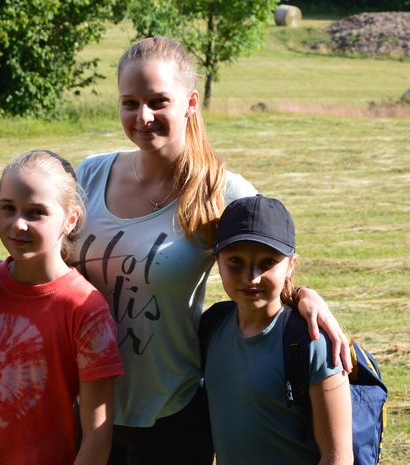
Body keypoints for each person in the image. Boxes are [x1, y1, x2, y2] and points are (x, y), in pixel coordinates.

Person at [70, 36, 352, 465]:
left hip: (171, 416)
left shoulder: (220, 191)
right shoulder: (89, 174)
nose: (143, 116)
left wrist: (304, 296)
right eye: (130, 103)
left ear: (190, 103)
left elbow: (272, 255)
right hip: (85, 405)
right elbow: (43, 262)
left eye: (158, 101)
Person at [0, 150, 124, 465]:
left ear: (70, 220)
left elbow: (97, 435)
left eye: (35, 212)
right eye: (8, 208)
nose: (18, 224)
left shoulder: (85, 309)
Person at [203, 194, 353, 465]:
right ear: (218, 262)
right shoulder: (212, 326)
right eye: (236, 261)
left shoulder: (313, 341)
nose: (251, 277)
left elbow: (338, 457)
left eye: (268, 262)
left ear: (291, 265)